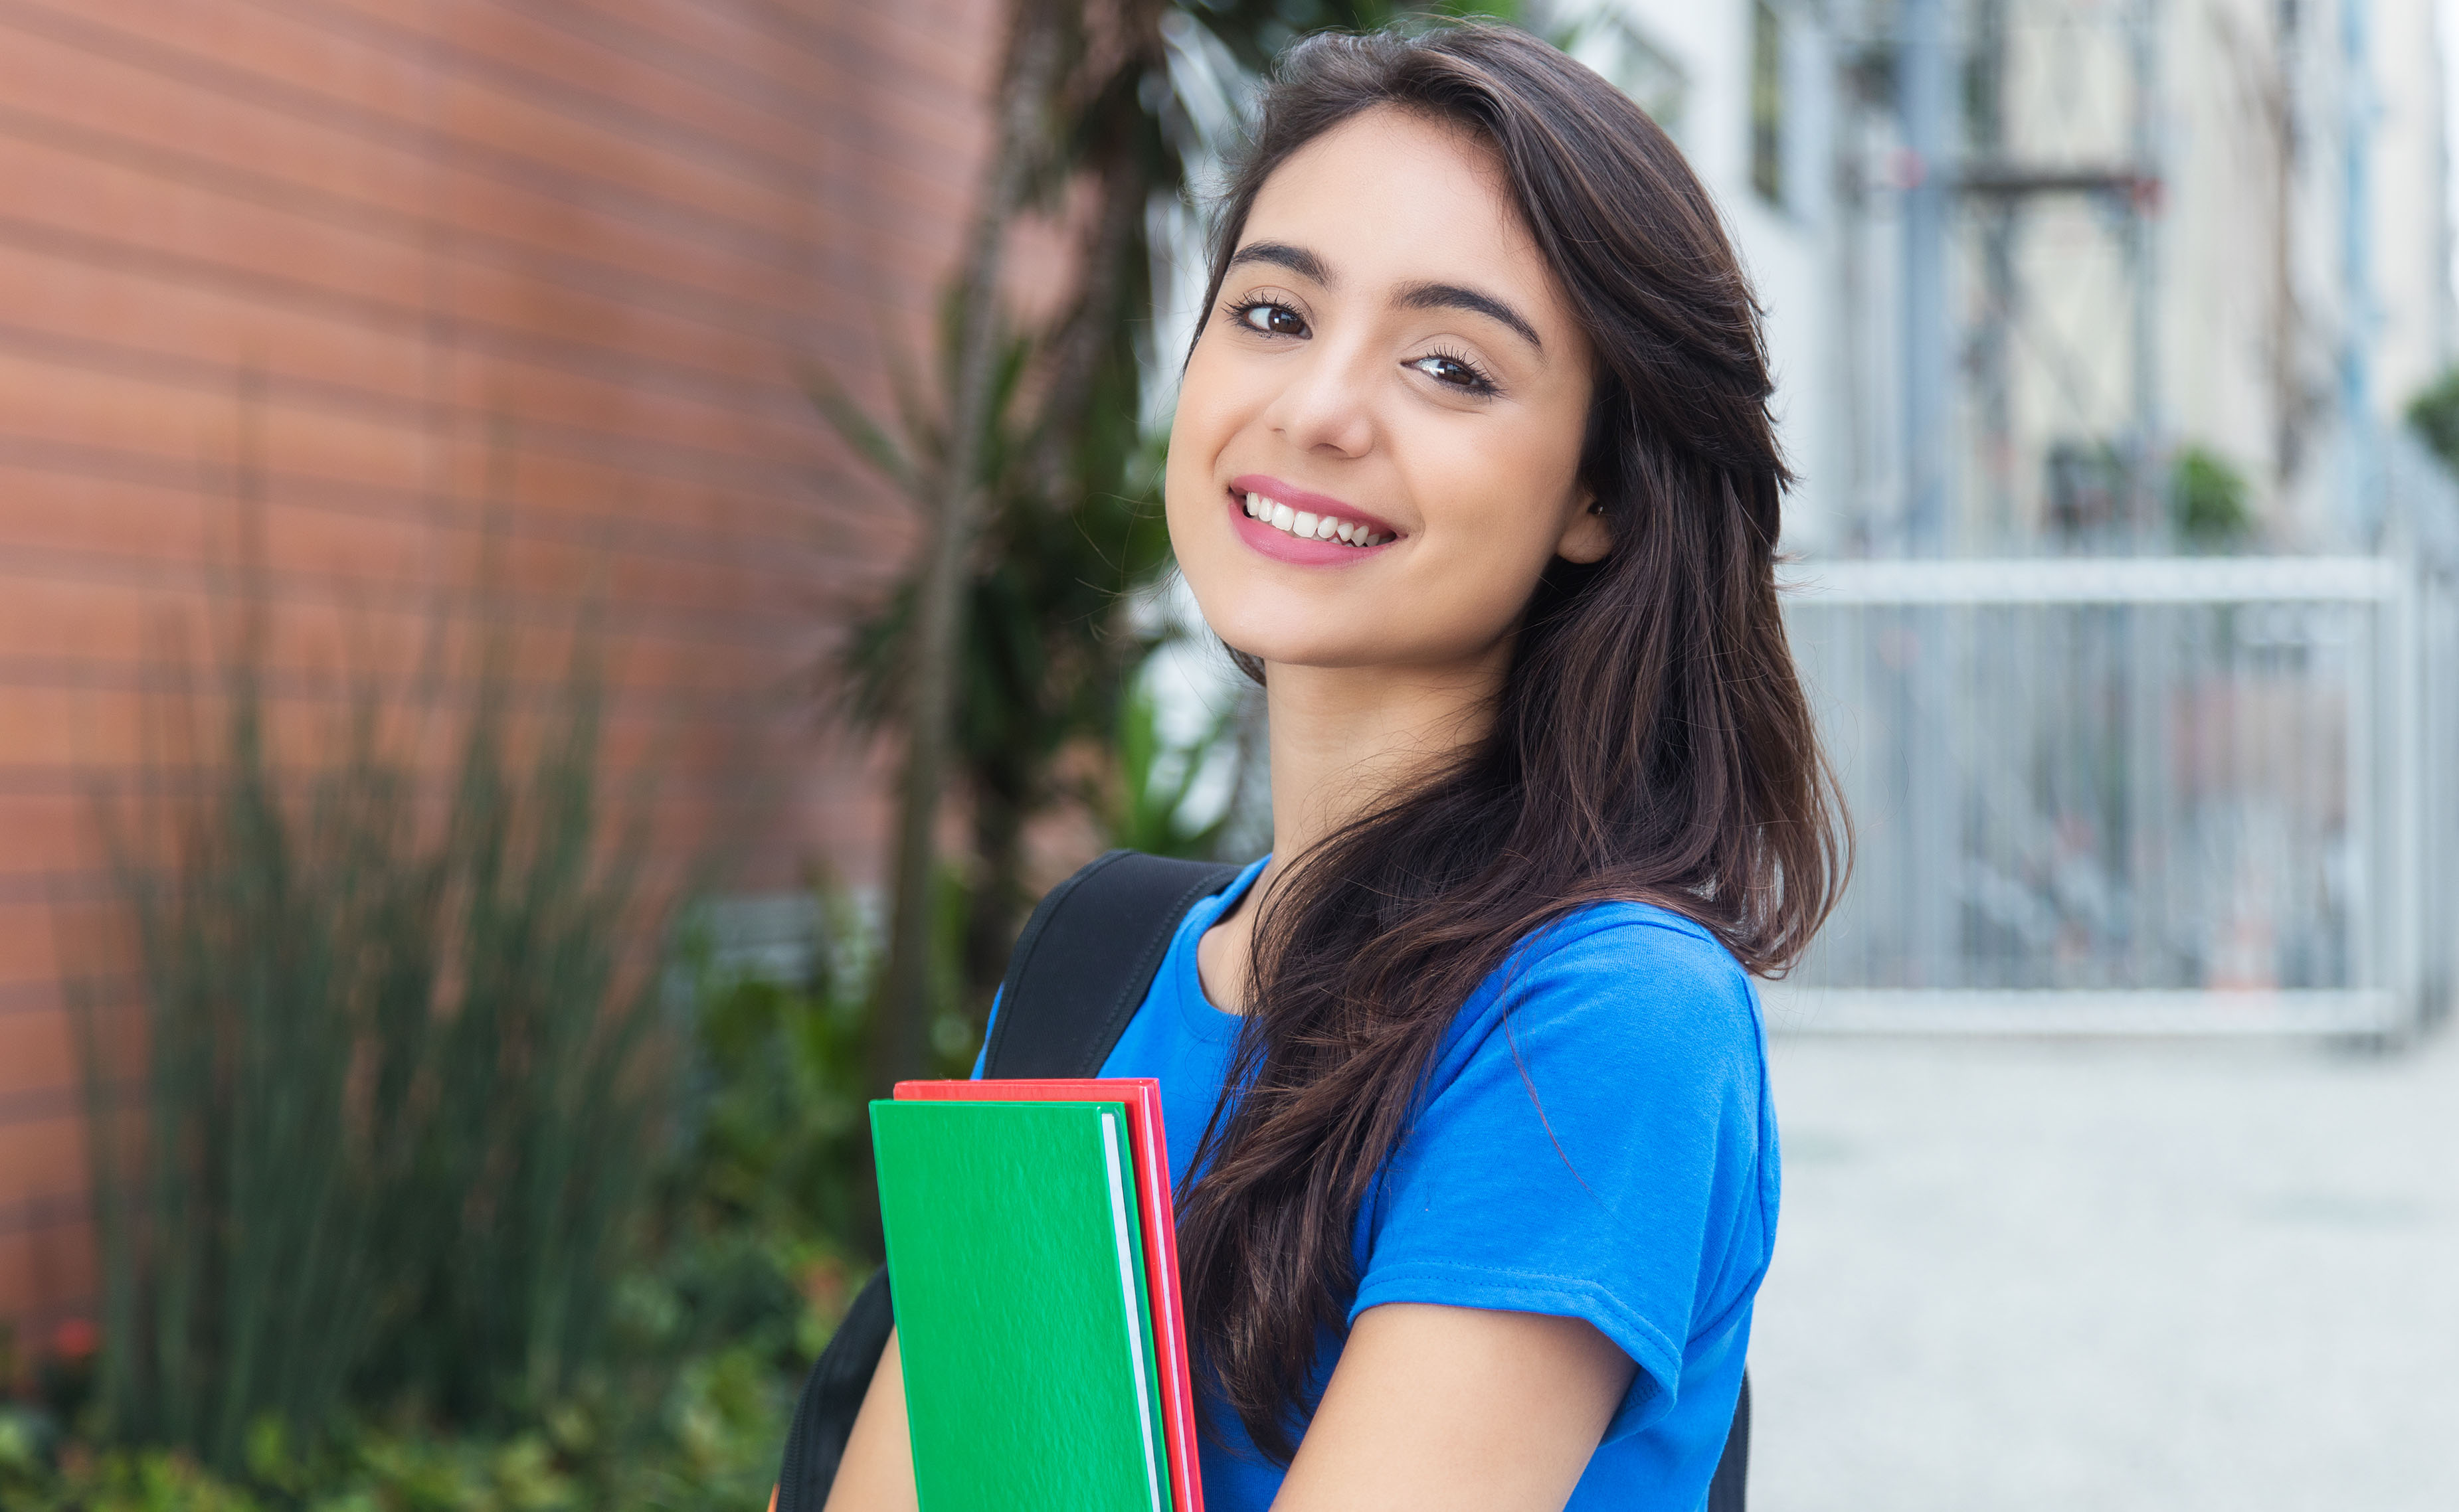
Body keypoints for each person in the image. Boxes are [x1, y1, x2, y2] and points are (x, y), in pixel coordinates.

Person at [826, 20, 1843, 1511]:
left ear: (1602, 493)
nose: (1316, 409)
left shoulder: (1597, 1016)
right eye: (1276, 315)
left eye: (1448, 364)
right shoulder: (1095, 969)